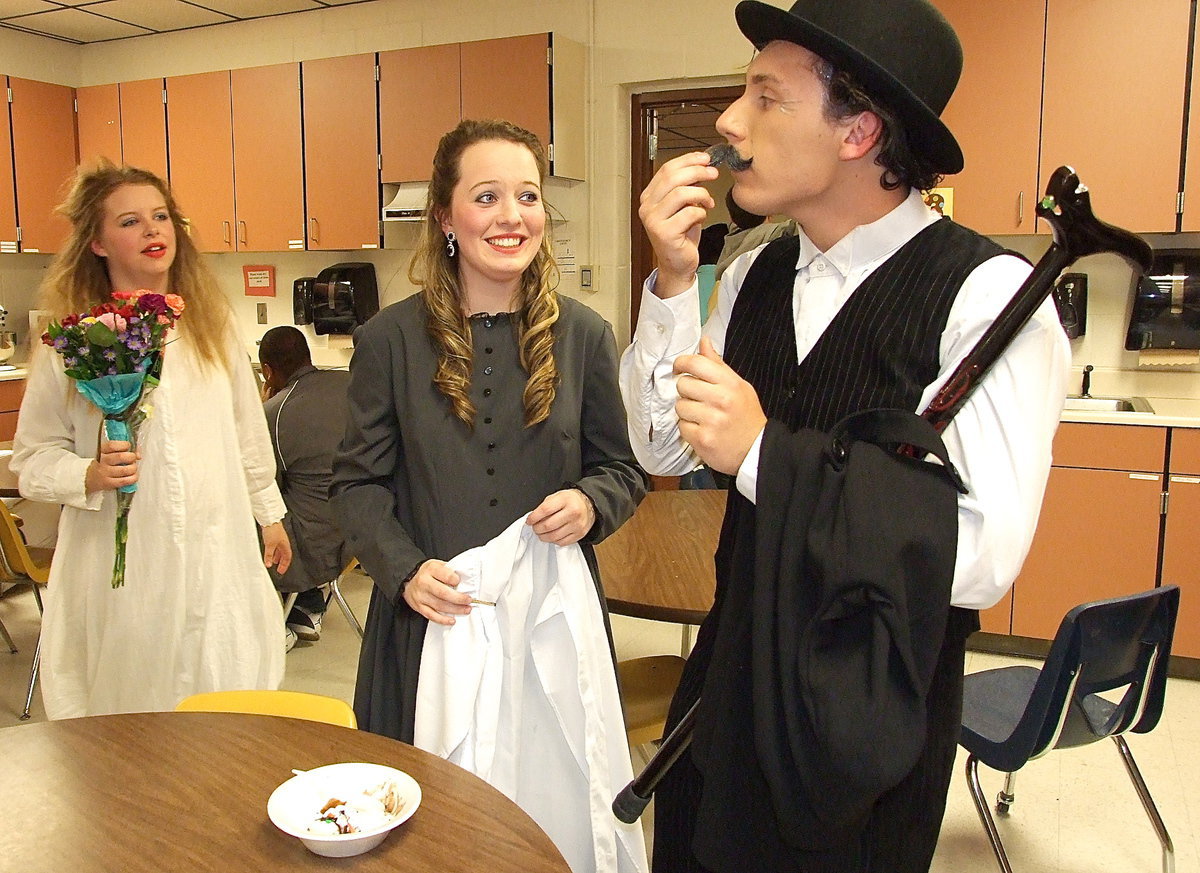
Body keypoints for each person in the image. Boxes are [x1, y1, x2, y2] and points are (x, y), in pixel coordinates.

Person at [619, 1, 1071, 871]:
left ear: (859, 130)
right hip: (723, 694)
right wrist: (674, 284)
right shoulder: (751, 269)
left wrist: (762, 454)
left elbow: (975, 555)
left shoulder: (989, 300)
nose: (726, 120)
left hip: (863, 733)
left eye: (765, 96)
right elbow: (661, 449)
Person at [330, 117, 646, 740]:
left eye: (527, 196)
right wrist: (404, 569)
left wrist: (591, 502)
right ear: (446, 218)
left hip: (550, 625)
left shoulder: (584, 336)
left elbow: (623, 468)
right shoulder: (389, 340)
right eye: (486, 197)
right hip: (431, 623)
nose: (512, 215)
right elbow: (356, 487)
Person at [11, 161, 290, 719]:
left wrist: (269, 514)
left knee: (223, 692)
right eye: (131, 221)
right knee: (132, 704)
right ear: (96, 241)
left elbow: (245, 430)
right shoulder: (72, 342)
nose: (154, 231)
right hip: (125, 559)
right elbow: (30, 458)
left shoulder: (212, 328)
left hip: (217, 547)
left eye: (162, 217)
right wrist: (87, 474)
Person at [258, 325, 351, 651]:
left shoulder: (275, 413)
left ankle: (270, 623)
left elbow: (263, 485)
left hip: (311, 549)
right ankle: (309, 606)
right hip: (359, 537)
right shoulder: (350, 385)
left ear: (267, 371)